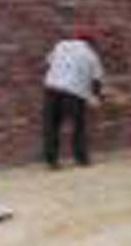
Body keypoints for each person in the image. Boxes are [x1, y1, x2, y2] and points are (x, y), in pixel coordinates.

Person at [42, 29, 104, 169]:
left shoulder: (61, 45)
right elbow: (97, 78)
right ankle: (81, 159)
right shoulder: (91, 54)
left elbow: (48, 61)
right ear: (90, 43)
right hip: (74, 93)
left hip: (52, 88)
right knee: (78, 127)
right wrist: (95, 97)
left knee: (51, 126)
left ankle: (51, 161)